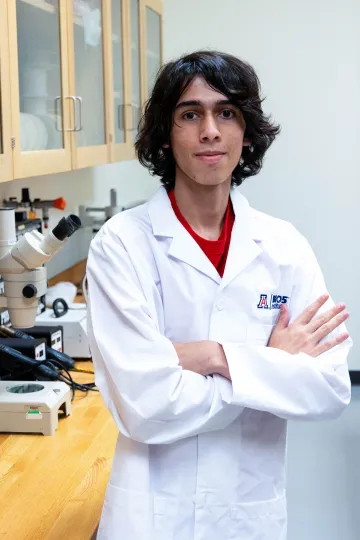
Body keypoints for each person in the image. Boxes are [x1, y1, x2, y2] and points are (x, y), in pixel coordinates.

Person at [86, 51, 352, 540]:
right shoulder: (121, 245)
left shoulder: (283, 245)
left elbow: (329, 388)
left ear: (246, 132)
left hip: (247, 514)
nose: (210, 130)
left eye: (226, 112)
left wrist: (211, 356)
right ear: (166, 135)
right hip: (151, 515)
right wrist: (267, 366)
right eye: (191, 114)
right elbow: (147, 406)